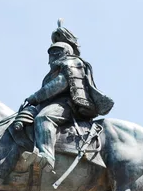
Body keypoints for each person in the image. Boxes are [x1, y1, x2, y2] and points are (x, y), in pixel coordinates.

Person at [23, 20, 114, 171]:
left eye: (55, 52)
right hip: (53, 103)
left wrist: (36, 96)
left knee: (43, 118)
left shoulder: (71, 63)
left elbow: (60, 84)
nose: (51, 57)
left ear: (64, 53)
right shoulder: (55, 70)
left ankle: (46, 157)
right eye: (51, 53)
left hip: (67, 104)